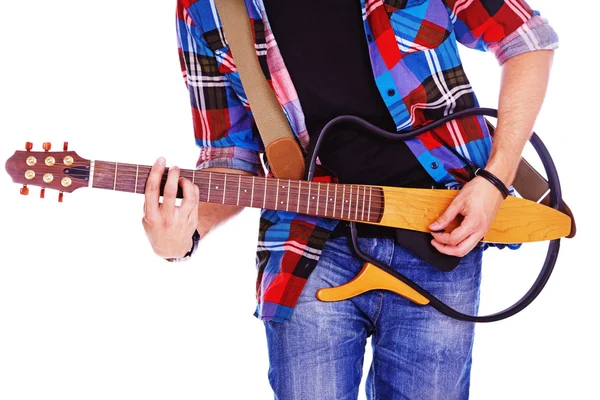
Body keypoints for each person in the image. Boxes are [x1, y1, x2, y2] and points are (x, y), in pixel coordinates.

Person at [142, 0, 558, 398]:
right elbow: (230, 155)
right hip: (308, 245)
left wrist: (494, 179)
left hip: (440, 229)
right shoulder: (207, 7)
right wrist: (184, 235)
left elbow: (526, 39)